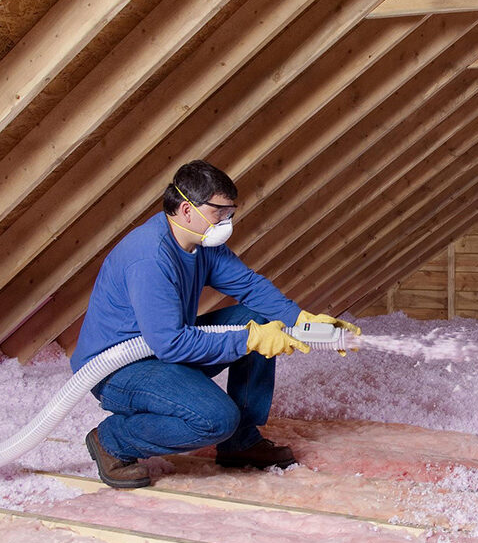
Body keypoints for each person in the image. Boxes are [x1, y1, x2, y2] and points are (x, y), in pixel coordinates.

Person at [70, 160, 359, 489]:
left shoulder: (201, 243)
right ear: (186, 209)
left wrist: (300, 320)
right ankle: (113, 440)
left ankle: (241, 442)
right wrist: (248, 340)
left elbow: (249, 286)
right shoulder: (150, 258)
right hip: (119, 371)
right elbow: (171, 343)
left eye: (230, 212)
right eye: (219, 212)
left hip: (163, 355)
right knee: (216, 418)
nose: (226, 222)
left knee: (259, 317)